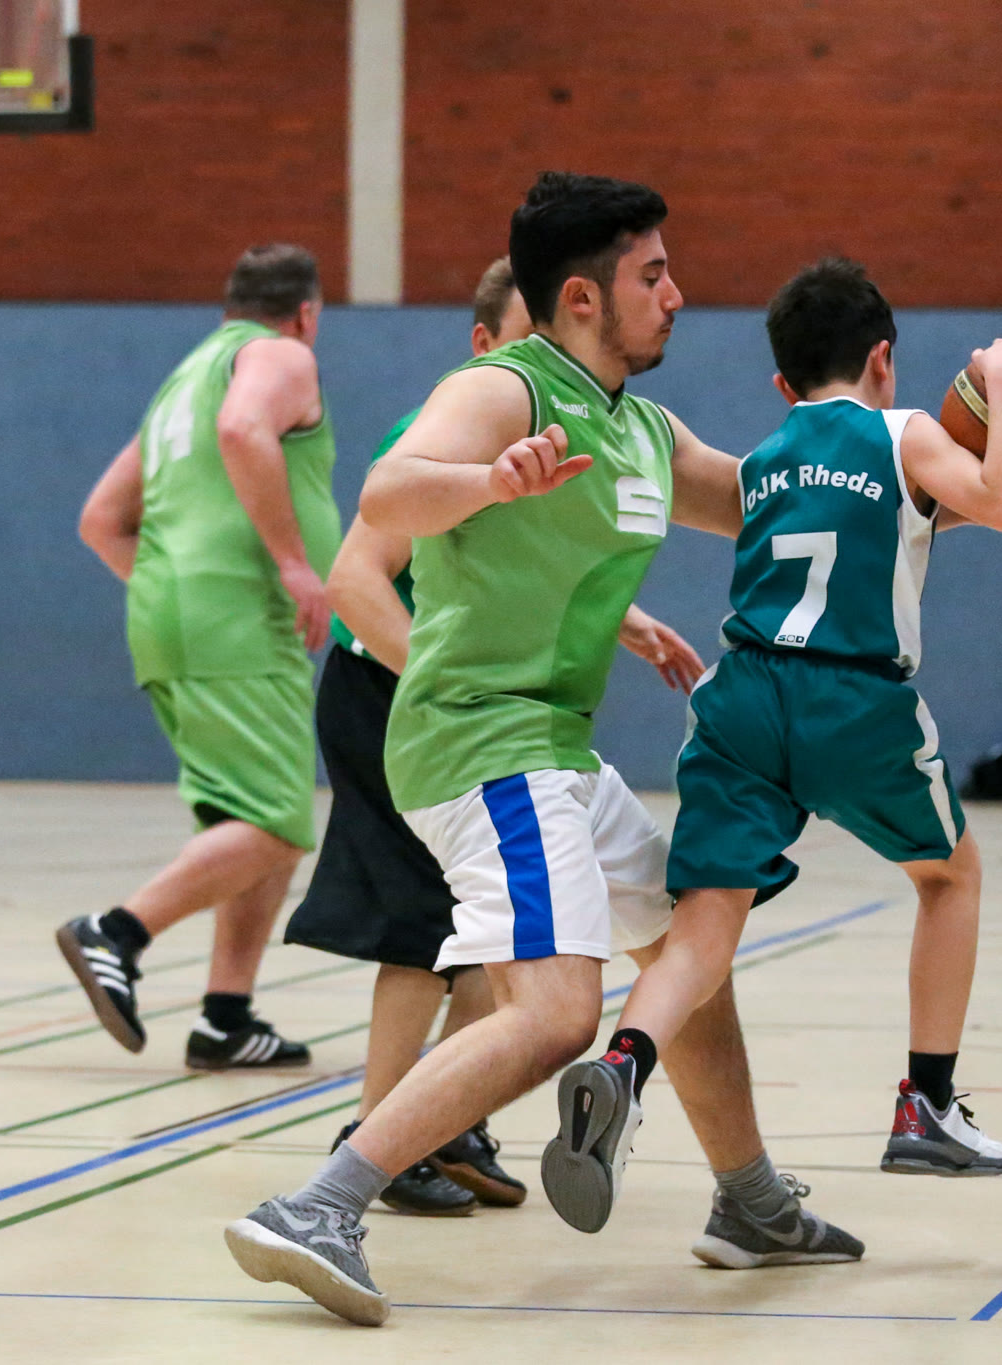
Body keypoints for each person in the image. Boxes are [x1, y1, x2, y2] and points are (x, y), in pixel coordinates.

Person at [224, 173, 862, 1328]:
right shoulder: (505, 390)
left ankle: (752, 1203)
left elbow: (770, 498)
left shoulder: (642, 428)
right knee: (559, 1014)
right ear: (580, 297)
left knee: (686, 950)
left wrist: (934, 474)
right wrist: (486, 479)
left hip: (552, 748)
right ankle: (316, 1207)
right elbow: (388, 490)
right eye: (652, 275)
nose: (675, 294)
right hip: (479, 739)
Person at [545, 258, 1002, 1233]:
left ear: (782, 383)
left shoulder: (766, 460)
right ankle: (927, 1103)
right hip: (849, 697)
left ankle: (623, 1064)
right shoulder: (903, 431)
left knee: (703, 926)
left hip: (740, 697)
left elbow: (897, 516)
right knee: (949, 876)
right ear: (883, 359)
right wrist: (1000, 383)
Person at [282, 256, 705, 1216]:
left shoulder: (595, 423)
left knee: (504, 930)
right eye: (528, 339)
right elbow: (353, 580)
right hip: (392, 686)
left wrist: (619, 616)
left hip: (497, 711)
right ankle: (376, 1138)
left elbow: (531, 563)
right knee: (422, 926)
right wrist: (448, 681)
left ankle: (449, 1119)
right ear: (487, 346)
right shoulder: (449, 427)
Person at [64, 244, 338, 1069]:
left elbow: (100, 519)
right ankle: (116, 931)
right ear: (306, 314)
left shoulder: (184, 379)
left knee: (244, 818)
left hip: (172, 617)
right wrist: (293, 564)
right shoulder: (280, 356)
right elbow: (242, 428)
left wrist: (176, 598)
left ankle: (227, 1017)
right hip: (240, 618)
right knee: (279, 822)